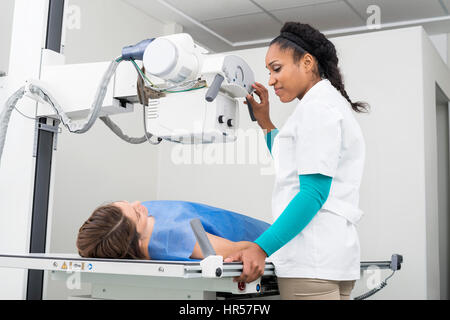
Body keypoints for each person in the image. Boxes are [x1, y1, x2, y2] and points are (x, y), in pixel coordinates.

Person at [224, 21, 368, 300]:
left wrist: (261, 248)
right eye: (268, 72)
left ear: (307, 62)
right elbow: (291, 161)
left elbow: (313, 193)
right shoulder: (326, 104)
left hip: (310, 263)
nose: (270, 80)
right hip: (332, 259)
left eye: (276, 68)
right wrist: (265, 122)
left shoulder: (317, 109)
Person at [76, 200, 270, 261]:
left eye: (128, 202)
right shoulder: (177, 239)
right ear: (138, 243)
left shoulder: (125, 223)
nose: (139, 204)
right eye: (137, 214)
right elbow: (244, 251)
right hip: (274, 240)